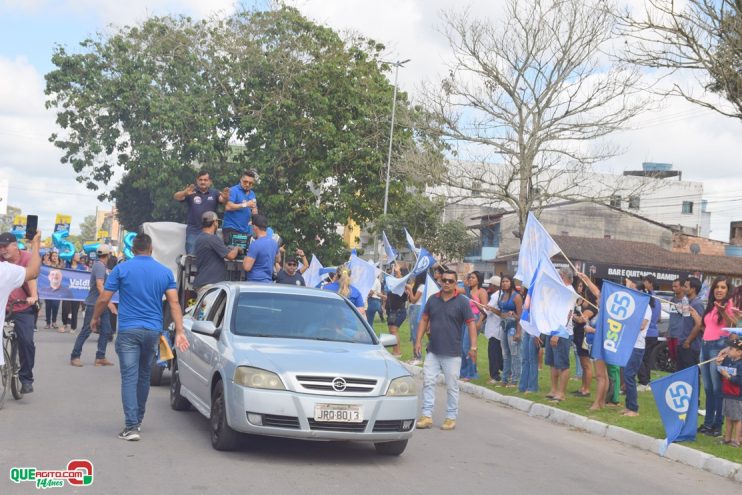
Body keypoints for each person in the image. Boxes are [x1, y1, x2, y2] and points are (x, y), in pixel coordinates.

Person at [91, 233, 189, 441]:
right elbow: (174, 304)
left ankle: (131, 425)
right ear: (151, 249)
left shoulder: (122, 269)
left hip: (128, 330)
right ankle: (138, 420)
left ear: (133, 250)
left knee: (129, 377)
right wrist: (179, 331)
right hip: (152, 331)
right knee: (144, 375)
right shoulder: (164, 272)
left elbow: (104, 298)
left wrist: (95, 318)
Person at [415, 269, 476, 431]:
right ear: (440, 281)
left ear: (456, 283)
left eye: (450, 281)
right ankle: (426, 415)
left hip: (452, 352)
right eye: (444, 280)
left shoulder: (462, 302)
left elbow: (471, 323)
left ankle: (450, 417)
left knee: (452, 386)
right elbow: (424, 319)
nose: (447, 283)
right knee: (428, 382)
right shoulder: (432, 300)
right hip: (433, 350)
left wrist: (473, 346)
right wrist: (418, 340)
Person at [0, 231, 42, 393]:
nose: (2, 250)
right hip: (4, 308)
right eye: (0, 247)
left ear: (15, 245)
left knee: (26, 341)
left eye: (5, 246)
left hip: (22, 306)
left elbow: (31, 276)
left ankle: (26, 378)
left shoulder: (26, 258)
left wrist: (33, 296)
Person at [699, 276, 738, 437]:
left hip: (718, 346)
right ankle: (708, 424)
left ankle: (717, 425)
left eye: (723, 287)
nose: (719, 290)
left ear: (728, 290)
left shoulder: (728, 306)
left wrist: (722, 311)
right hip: (705, 346)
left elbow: (733, 325)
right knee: (708, 388)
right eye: (717, 287)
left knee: (717, 389)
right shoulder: (711, 306)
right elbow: (705, 326)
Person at [70, 245, 117, 367]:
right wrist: (110, 302)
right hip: (95, 303)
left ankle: (100, 357)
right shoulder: (100, 266)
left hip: (102, 303)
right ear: (109, 255)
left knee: (106, 331)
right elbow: (99, 285)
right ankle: (75, 356)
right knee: (86, 330)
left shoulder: (101, 266)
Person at [544, 268, 577, 403]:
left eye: (558, 276)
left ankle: (562, 393)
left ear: (564, 276)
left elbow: (567, 314)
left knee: (563, 364)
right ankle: (553, 389)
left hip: (562, 333)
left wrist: (557, 333)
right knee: (552, 362)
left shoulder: (569, 292)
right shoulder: (560, 291)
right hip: (552, 330)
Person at [173, 170, 226, 255]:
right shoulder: (191, 191)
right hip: (193, 231)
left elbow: (222, 200)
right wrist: (185, 192)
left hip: (211, 232)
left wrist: (226, 197)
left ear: (210, 181)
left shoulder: (215, 192)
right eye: (200, 180)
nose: (203, 182)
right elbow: (176, 197)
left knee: (212, 256)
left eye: (205, 180)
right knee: (191, 257)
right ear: (197, 181)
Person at [621, 278, 652, 417]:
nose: (630, 291)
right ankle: (628, 406)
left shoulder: (646, 307)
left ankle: (633, 408)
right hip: (629, 344)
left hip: (637, 346)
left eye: (632, 288)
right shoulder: (634, 305)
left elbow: (642, 325)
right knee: (627, 375)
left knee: (629, 375)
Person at [193, 211, 240, 293]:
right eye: (217, 221)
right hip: (209, 285)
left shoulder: (199, 238)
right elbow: (231, 256)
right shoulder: (212, 238)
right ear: (214, 222)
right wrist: (236, 248)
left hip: (204, 283)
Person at [497, 275, 522, 388]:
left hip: (513, 327)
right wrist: (494, 311)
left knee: (515, 354)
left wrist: (518, 332)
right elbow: (502, 313)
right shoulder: (502, 295)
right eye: (503, 282)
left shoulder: (516, 297)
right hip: (504, 326)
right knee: (505, 354)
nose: (504, 283)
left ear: (511, 282)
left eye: (507, 281)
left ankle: (515, 380)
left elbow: (520, 316)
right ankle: (505, 379)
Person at [571, 278, 595, 398]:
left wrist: (573, 316)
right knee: (582, 362)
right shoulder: (581, 305)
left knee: (586, 364)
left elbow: (581, 319)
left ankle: (587, 389)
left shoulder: (592, 308)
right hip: (578, 335)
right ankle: (582, 387)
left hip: (585, 337)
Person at [460, 271, 486, 381]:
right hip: (464, 319)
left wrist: (480, 321)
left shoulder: (482, 291)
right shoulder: (467, 291)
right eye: (470, 278)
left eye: (473, 278)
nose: (470, 279)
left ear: (478, 280)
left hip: (475, 319)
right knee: (462, 347)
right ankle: (464, 371)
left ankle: (472, 373)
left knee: (469, 346)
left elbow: (484, 309)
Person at [716, 339, 742, 447]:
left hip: (736, 395)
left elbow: (740, 381)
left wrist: (728, 376)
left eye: (731, 349)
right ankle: (727, 438)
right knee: (728, 416)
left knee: (737, 418)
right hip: (727, 393)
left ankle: (736, 440)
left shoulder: (740, 365)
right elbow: (721, 375)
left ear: (739, 352)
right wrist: (719, 364)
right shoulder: (728, 361)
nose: (728, 351)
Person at [638, 275, 661, 390]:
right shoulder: (657, 298)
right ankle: (646, 382)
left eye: (645, 281)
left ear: (650, 283)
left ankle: (644, 381)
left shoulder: (648, 297)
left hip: (647, 333)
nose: (643, 283)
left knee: (640, 358)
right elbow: (659, 317)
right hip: (654, 333)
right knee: (646, 359)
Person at [223, 170, 258, 246]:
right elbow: (228, 207)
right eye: (245, 182)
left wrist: (254, 210)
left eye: (250, 183)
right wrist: (245, 204)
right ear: (241, 180)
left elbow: (254, 212)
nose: (247, 184)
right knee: (233, 254)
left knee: (244, 255)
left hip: (246, 230)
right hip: (232, 228)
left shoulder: (252, 193)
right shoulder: (233, 190)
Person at [242, 214, 280, 283]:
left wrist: (245, 258)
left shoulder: (255, 244)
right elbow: (278, 259)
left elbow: (247, 267)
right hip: (268, 283)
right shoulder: (274, 243)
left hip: (254, 283)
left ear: (255, 227)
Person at [677, 277, 704, 370]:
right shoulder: (687, 302)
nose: (683, 288)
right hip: (682, 342)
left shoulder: (697, 304)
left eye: (685, 286)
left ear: (693, 289)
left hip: (690, 346)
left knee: (691, 374)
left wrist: (688, 342)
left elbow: (699, 325)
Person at [482, 276, 503, 384]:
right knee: (498, 353)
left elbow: (487, 311)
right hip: (497, 329)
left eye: (490, 284)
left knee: (493, 354)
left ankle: (495, 376)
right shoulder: (500, 295)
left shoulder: (495, 296)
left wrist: (479, 305)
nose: (489, 286)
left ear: (494, 286)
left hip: (494, 330)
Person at [384, 264, 408, 356]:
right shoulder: (393, 283)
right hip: (392, 310)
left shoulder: (403, 284)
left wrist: (398, 273)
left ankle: (397, 352)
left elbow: (400, 282)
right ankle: (395, 351)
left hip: (399, 310)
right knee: (391, 330)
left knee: (394, 330)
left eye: (398, 270)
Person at [61, 252, 86, 334]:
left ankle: (73, 327)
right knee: (65, 309)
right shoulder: (67, 266)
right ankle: (65, 324)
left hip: (76, 292)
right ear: (72, 257)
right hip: (67, 291)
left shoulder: (81, 267)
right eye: (77, 256)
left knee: (75, 310)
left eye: (79, 256)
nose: (79, 257)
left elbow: (84, 278)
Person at [406, 273, 426, 365]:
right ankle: (415, 356)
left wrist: (410, 290)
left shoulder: (422, 286)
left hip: (417, 309)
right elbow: (411, 299)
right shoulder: (418, 286)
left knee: (415, 334)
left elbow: (414, 300)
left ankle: (418, 356)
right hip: (413, 308)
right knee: (413, 333)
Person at [666, 278, 686, 364]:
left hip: (680, 335)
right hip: (671, 334)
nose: (673, 288)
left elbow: (686, 315)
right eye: (672, 286)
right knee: (673, 359)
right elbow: (672, 316)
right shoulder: (672, 300)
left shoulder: (686, 300)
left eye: (676, 286)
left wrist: (679, 308)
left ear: (682, 287)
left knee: (680, 359)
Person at [42, 252, 61, 329]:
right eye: (53, 256)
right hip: (48, 289)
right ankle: (48, 323)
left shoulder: (61, 266)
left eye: (56, 256)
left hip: (57, 289)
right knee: (48, 305)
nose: (54, 257)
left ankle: (54, 322)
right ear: (50, 257)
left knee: (56, 305)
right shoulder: (47, 266)